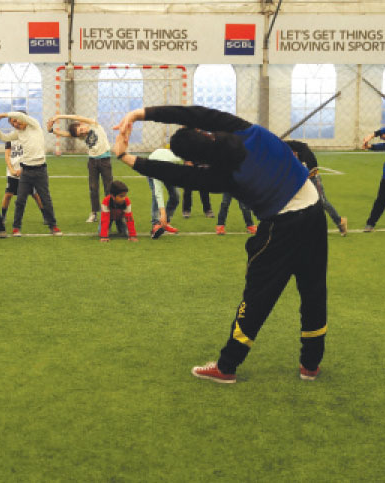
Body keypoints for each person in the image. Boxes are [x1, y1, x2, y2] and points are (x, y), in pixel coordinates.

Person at [113, 105, 327, 383]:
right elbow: (191, 113)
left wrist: (125, 156)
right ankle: (310, 365)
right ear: (204, 132)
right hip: (314, 213)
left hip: (283, 228)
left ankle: (226, 367)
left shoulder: (222, 176)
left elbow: (177, 175)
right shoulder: (246, 130)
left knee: (257, 299)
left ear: (193, 159)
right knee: (313, 291)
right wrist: (137, 114)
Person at [0, 110, 62, 236]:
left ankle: (53, 226)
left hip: (40, 170)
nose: (15, 124)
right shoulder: (18, 133)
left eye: (16, 121)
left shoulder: (34, 125)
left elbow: (20, 115)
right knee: (20, 200)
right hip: (26, 171)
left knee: (46, 199)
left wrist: (1, 115)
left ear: (25, 119)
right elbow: (4, 138)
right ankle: (16, 228)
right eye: (12, 123)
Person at [48, 114, 113, 223]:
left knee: (109, 187)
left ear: (82, 124)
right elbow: (66, 134)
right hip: (92, 162)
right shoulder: (82, 136)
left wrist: (59, 116)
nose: (83, 132)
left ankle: (110, 211)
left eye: (81, 129)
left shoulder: (94, 125)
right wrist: (51, 130)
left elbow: (77, 117)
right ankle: (94, 213)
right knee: (93, 188)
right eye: (80, 133)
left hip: (105, 160)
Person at [286, 140, 347, 236]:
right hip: (302, 182)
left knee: (323, 202)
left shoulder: (306, 155)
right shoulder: (291, 158)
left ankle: (340, 221)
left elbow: (310, 170)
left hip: (313, 180)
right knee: (299, 204)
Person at [1, 140, 44, 224]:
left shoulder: (27, 139)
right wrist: (11, 170)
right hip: (12, 173)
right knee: (8, 195)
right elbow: (7, 156)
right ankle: (2, 216)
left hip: (27, 171)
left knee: (35, 195)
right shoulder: (9, 139)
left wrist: (23, 169)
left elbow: (31, 156)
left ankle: (45, 215)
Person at [147, 148, 182, 239]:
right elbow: (159, 193)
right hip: (150, 168)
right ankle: (156, 224)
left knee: (175, 196)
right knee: (155, 195)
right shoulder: (156, 170)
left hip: (167, 167)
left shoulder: (177, 159)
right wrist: (162, 213)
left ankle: (165, 223)